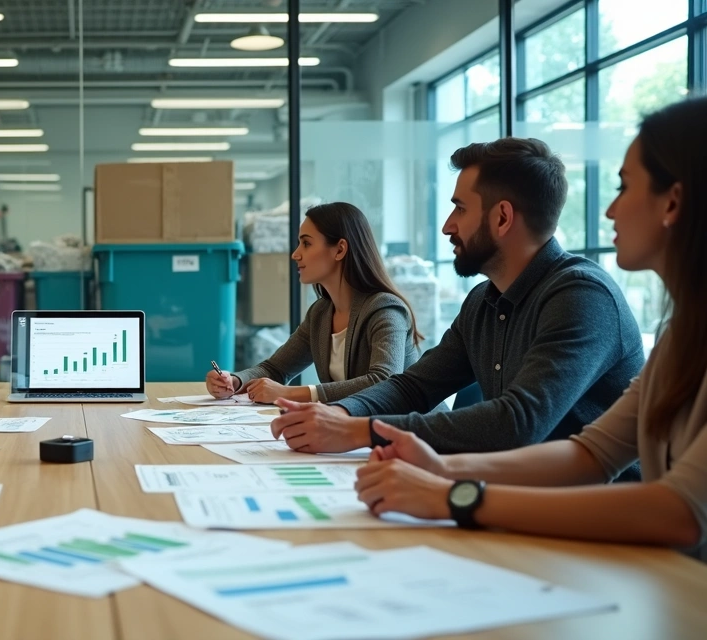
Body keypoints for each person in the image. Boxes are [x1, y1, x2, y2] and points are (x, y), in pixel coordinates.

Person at [354, 96, 707, 557]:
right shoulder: (680, 335)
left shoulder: (582, 294)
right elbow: (591, 455)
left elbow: (679, 511)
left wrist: (454, 493)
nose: (610, 211)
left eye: (624, 187)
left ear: (673, 202)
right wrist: (441, 469)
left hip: (633, 559)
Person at [272, 138, 644, 457]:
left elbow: (519, 422)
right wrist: (342, 414)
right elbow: (414, 386)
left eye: (460, 208)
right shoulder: (484, 300)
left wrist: (363, 429)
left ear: (502, 218)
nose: (448, 225)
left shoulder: (580, 297)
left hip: (599, 521)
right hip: (519, 495)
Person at [207, 202, 422, 404]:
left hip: (416, 435)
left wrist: (292, 393)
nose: (295, 254)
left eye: (306, 243)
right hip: (358, 432)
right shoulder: (321, 313)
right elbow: (276, 368)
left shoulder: (385, 310)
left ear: (339, 250)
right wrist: (234, 381)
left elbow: (383, 382)